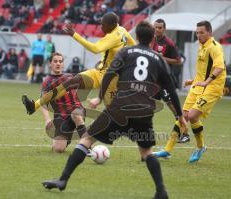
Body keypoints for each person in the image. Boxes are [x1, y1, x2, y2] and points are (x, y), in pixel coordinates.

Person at [41, 21, 187, 199]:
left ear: (137, 37)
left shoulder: (126, 51)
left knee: (87, 140)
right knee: (146, 152)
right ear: (151, 40)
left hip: (119, 108)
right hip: (144, 110)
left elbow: (109, 74)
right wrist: (180, 116)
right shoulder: (158, 59)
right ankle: (161, 191)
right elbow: (171, 89)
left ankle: (63, 180)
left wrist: (100, 98)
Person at [22, 12, 136, 114]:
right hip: (99, 73)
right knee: (69, 83)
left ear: (111, 25)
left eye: (103, 24)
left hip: (110, 79)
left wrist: (75, 35)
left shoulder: (113, 36)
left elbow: (95, 49)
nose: (101, 26)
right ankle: (34, 106)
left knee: (114, 113)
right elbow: (134, 45)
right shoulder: (122, 30)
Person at [153, 20, 226, 163]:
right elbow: (204, 70)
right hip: (198, 85)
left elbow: (219, 68)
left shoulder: (215, 47)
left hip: (212, 87)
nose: (198, 35)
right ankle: (167, 150)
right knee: (183, 115)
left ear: (209, 33)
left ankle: (200, 147)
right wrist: (193, 81)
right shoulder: (202, 45)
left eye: (202, 32)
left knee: (192, 115)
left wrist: (206, 82)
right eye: (197, 33)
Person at [25, 52, 86, 153]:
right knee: (58, 149)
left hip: (76, 110)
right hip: (61, 116)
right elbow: (43, 102)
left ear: (63, 64)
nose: (58, 63)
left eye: (60, 61)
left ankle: (86, 146)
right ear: (50, 64)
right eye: (55, 61)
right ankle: (66, 138)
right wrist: (47, 120)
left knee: (76, 115)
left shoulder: (69, 77)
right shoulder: (47, 81)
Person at [151, 18, 190, 143]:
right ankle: (144, 132)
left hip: (165, 80)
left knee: (174, 108)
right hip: (154, 81)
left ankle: (185, 133)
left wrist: (163, 58)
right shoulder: (152, 40)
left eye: (160, 27)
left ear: (164, 29)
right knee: (147, 107)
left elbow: (178, 61)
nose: (157, 29)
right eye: (155, 27)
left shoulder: (169, 43)